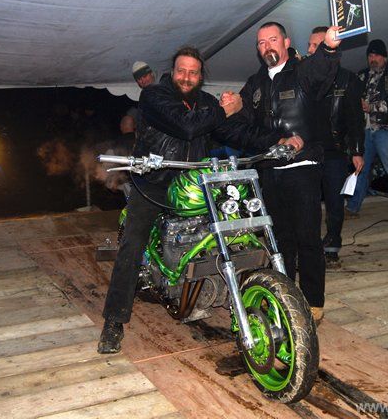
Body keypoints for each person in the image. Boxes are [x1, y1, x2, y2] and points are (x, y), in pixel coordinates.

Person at [98, 46, 298, 354]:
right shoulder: (154, 96)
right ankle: (113, 321)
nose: (186, 77)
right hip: (154, 183)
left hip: (195, 183)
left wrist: (277, 141)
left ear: (200, 76)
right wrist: (224, 110)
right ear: (173, 71)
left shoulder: (205, 103)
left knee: (235, 229)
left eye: (193, 72)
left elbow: (236, 133)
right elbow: (187, 126)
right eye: (182, 70)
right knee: (133, 244)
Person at [236, 22, 342, 324]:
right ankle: (283, 296)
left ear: (286, 42)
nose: (267, 46)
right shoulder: (254, 84)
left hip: (301, 168)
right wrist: (230, 109)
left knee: (307, 238)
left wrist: (328, 49)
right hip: (268, 171)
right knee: (279, 241)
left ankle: (313, 302)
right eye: (261, 42)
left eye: (272, 39)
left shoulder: (302, 71)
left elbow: (322, 71)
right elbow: (242, 125)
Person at [307, 27, 365, 265]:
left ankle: (331, 246)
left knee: (334, 202)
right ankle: (309, 247)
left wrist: (357, 151)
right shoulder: (303, 76)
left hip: (335, 152)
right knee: (308, 203)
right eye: (310, 45)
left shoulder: (347, 79)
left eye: (315, 45)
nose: (310, 50)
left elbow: (356, 118)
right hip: (307, 152)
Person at [346, 39, 388, 229]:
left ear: (384, 57)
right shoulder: (361, 75)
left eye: (376, 55)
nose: (373, 58)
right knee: (361, 170)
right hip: (366, 131)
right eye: (370, 55)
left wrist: (371, 107)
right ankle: (352, 207)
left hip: (387, 131)